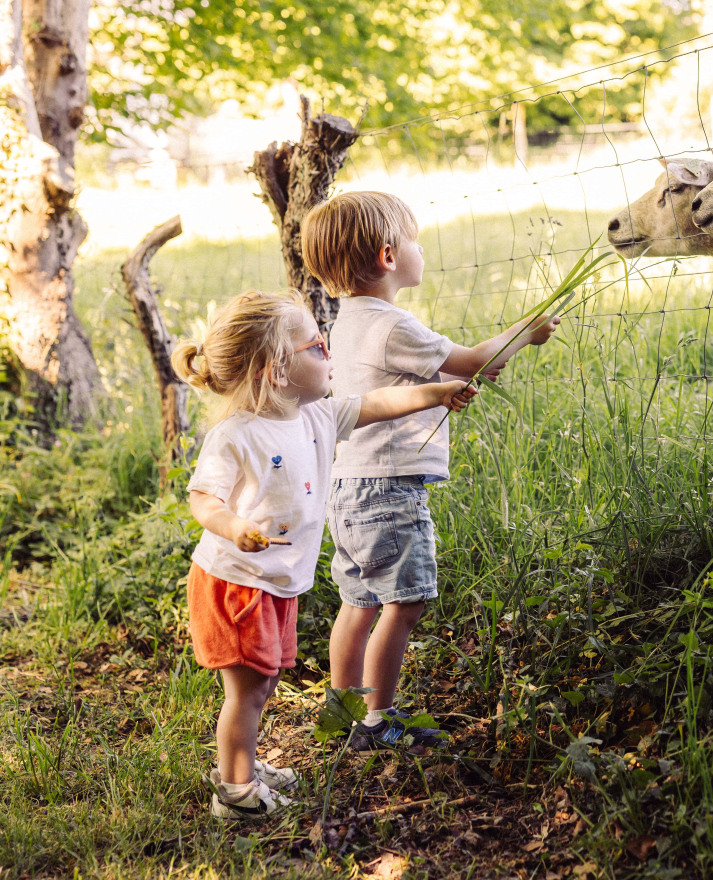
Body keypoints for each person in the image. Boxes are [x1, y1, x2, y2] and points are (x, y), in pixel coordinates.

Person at [173, 288, 479, 819]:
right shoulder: (235, 436)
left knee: (262, 683)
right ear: (275, 371)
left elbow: (378, 404)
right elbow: (203, 498)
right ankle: (236, 792)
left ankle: (238, 762)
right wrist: (233, 525)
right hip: (236, 581)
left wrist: (437, 391)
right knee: (246, 691)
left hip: (271, 581)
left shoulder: (313, 417)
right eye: (317, 347)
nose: (329, 354)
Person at [302, 191, 558, 750]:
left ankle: (344, 713)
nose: (421, 248)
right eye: (413, 239)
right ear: (389, 256)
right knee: (404, 602)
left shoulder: (345, 322)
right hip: (388, 488)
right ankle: (379, 720)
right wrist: (526, 333)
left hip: (348, 486)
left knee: (358, 602)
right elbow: (473, 363)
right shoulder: (392, 325)